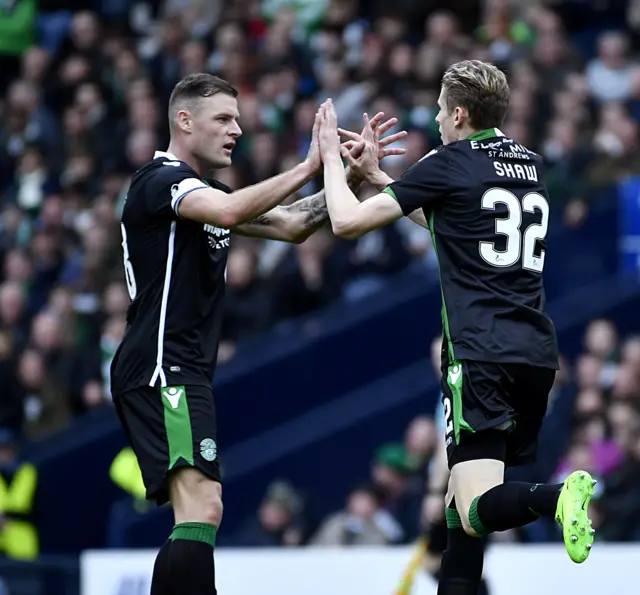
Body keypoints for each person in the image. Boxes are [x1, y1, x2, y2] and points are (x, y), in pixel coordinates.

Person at [109, 72, 406, 595]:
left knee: (194, 514)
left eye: (239, 120)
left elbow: (293, 225)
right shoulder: (160, 181)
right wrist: (311, 164)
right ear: (184, 120)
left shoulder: (205, 193)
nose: (236, 130)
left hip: (182, 366)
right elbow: (227, 210)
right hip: (161, 363)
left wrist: (352, 176)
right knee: (204, 505)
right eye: (223, 118)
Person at [317, 60, 596, 595]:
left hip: (480, 353)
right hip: (535, 353)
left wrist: (334, 160)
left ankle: (557, 497)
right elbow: (459, 225)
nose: (438, 120)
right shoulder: (530, 163)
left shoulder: (448, 161)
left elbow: (346, 222)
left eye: (442, 112)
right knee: (457, 511)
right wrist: (383, 179)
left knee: (473, 511)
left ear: (460, 113)